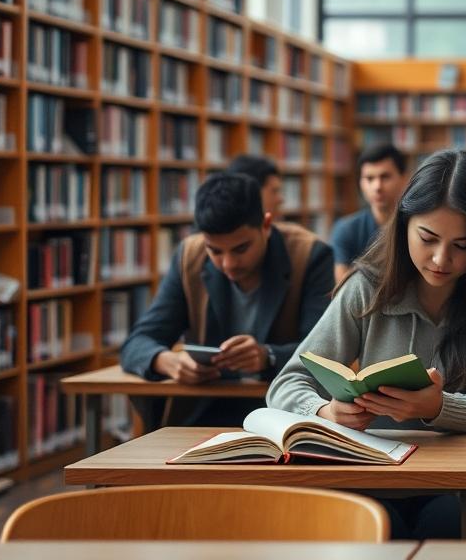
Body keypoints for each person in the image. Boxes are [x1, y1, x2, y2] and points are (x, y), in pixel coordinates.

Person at [267, 149, 466, 540]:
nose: (441, 259)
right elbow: (286, 383)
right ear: (403, 224)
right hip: (373, 473)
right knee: (371, 528)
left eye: (463, 245)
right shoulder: (368, 285)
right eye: (428, 238)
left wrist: (441, 408)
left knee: (447, 527)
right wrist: (324, 411)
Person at [120, 171, 334, 426]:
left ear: (266, 226)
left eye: (241, 248)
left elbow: (323, 355)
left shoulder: (309, 255)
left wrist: (267, 356)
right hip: (206, 411)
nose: (228, 264)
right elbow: (137, 342)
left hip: (285, 412)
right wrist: (168, 362)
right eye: (215, 251)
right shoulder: (190, 256)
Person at [331, 144, 408, 281]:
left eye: (385, 177)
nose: (377, 186)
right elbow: (343, 288)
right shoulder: (346, 230)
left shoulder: (416, 228)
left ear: (404, 179)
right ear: (360, 183)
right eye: (369, 178)